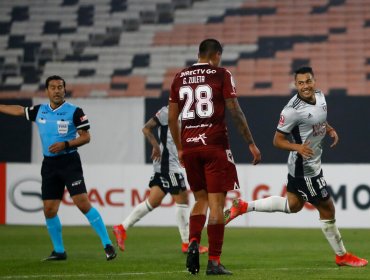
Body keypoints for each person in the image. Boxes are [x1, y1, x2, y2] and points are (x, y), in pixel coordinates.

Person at [224, 66, 368, 267]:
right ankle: (341, 255)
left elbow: (319, 119)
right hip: (305, 168)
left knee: (293, 205)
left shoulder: (320, 96)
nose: (305, 86)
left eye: (308, 81)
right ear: (296, 85)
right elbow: (277, 140)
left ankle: (244, 206)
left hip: (310, 163)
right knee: (327, 208)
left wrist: (329, 128)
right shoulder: (292, 110)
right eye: (300, 83)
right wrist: (297, 147)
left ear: (314, 81)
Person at [168, 38, 261, 275]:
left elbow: (171, 118)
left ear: (199, 53)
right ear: (217, 54)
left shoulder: (179, 77)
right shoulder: (222, 74)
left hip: (189, 148)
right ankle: (214, 261)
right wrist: (250, 143)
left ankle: (192, 241)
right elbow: (235, 110)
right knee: (217, 204)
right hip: (214, 146)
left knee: (200, 200)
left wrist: (180, 147)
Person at [0, 75, 116, 261]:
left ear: (64, 89)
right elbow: (20, 110)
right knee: (49, 209)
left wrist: (66, 144)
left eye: (60, 87)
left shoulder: (74, 111)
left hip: (69, 162)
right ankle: (59, 251)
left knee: (82, 202)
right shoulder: (40, 111)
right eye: (52, 87)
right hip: (50, 165)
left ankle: (107, 244)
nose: (56, 90)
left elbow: (86, 137)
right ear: (46, 91)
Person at [112, 105, 208, 254]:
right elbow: (146, 128)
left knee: (153, 201)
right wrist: (156, 146)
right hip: (167, 164)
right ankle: (187, 243)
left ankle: (121, 227)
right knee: (182, 201)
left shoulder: (190, 113)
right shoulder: (167, 111)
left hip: (170, 163)